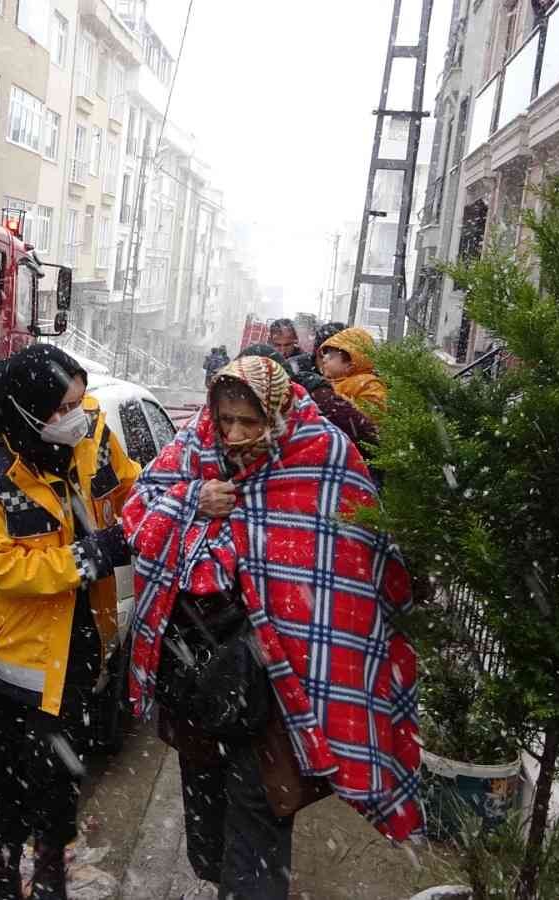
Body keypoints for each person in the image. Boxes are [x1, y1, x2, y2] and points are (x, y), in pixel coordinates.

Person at [121, 356, 423, 898]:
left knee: (260, 809)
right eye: (226, 419)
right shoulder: (196, 447)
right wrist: (193, 500)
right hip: (201, 672)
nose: (234, 435)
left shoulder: (322, 455)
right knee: (207, 807)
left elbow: (355, 561)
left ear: (278, 414)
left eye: (250, 422)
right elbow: (137, 516)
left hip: (281, 683)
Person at [0, 343, 141, 900]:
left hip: (74, 635)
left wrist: (162, 508)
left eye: (78, 399)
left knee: (61, 767)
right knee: (2, 765)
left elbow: (131, 490)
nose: (74, 414)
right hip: (6, 649)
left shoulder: (92, 435)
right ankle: (0, 871)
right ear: (26, 410)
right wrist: (92, 555)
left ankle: (50, 870)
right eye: (60, 408)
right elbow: (3, 566)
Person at [235, 343, 377, 447]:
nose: (325, 359)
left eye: (332, 356)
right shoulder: (294, 396)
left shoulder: (320, 398)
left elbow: (366, 433)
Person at [318, 325, 389, 413]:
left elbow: (371, 415)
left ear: (350, 365)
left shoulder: (368, 384)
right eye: (325, 355)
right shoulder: (325, 382)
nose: (324, 359)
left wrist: (334, 400)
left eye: (331, 357)